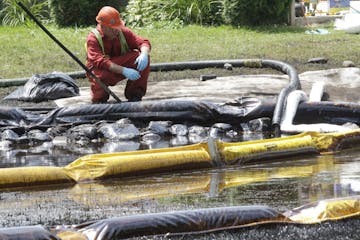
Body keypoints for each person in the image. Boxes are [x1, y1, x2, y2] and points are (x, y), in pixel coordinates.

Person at [86, 6, 151, 103]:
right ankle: (100, 100)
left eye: (117, 27)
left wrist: (144, 54)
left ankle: (135, 95)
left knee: (139, 57)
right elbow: (101, 62)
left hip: (116, 64)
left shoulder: (122, 32)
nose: (116, 31)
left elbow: (143, 42)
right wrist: (124, 70)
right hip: (102, 70)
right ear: (102, 26)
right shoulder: (93, 38)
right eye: (112, 29)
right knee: (98, 75)